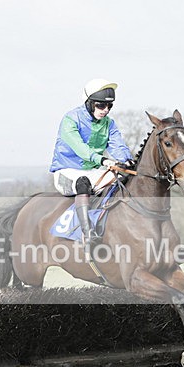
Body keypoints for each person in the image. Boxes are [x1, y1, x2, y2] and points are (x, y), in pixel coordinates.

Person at [49, 78, 134, 256]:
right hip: (67, 171)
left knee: (126, 179)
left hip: (95, 171)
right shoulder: (70, 119)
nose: (105, 111)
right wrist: (103, 160)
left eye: (109, 107)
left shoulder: (109, 123)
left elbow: (117, 145)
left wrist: (128, 161)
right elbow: (80, 148)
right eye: (101, 106)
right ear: (89, 103)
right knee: (83, 182)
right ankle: (87, 235)